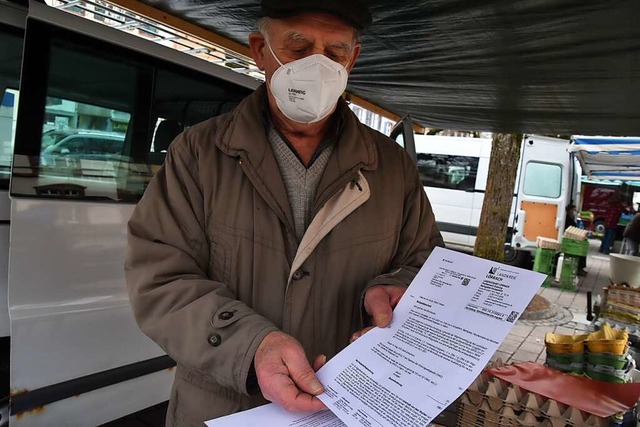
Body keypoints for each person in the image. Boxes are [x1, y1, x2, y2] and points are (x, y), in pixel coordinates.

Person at [124, 1, 444, 425]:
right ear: (260, 50)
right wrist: (251, 346)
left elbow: (426, 264)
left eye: (334, 53)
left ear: (354, 58)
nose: (318, 66)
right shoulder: (198, 154)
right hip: (223, 407)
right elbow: (159, 278)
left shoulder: (391, 166)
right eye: (298, 47)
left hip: (347, 405)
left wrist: (395, 289)